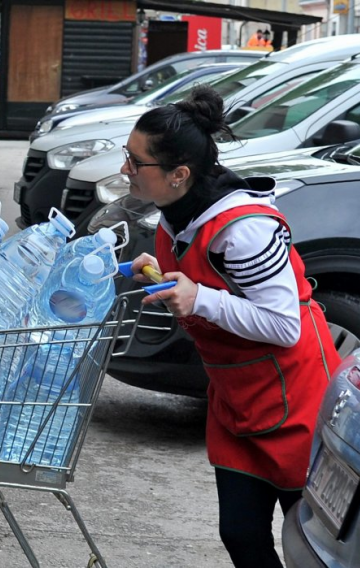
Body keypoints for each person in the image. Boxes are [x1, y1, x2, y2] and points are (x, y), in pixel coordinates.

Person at [123, 85, 341, 568]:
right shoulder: (177, 216)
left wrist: (200, 298)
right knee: (240, 534)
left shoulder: (243, 229)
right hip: (237, 395)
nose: (126, 170)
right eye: (127, 156)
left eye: (137, 163)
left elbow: (284, 325)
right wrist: (161, 277)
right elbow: (204, 287)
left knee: (311, 543)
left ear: (179, 175)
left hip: (293, 396)